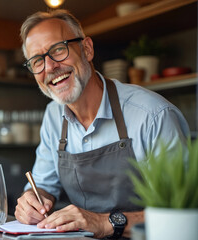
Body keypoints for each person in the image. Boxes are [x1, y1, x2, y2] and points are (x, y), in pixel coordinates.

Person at [14, 9, 190, 239]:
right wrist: (33, 201)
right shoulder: (53, 116)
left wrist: (103, 222)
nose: (49, 67)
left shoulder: (153, 115)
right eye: (37, 60)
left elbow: (182, 213)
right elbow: (44, 185)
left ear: (87, 49)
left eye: (58, 49)